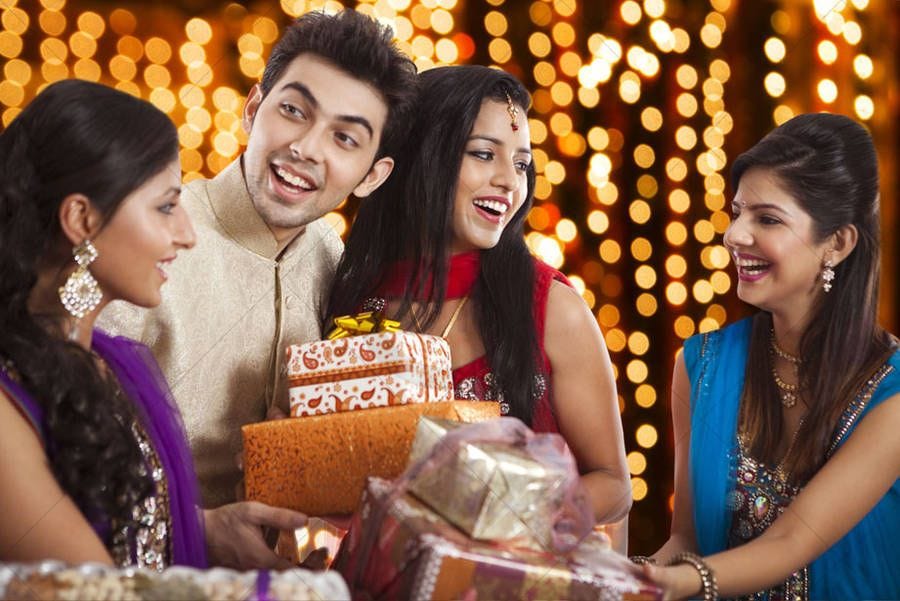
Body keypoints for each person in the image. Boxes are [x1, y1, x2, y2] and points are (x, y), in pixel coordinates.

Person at [98, 9, 418, 507]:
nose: (305, 148)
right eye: (293, 111)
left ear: (372, 176)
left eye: (344, 138)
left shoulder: (333, 260)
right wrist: (200, 530)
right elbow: (64, 451)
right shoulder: (147, 233)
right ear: (252, 109)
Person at [0, 80, 309, 570]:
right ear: (80, 219)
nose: (187, 234)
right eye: (166, 206)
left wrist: (202, 528)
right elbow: (98, 590)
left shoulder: (106, 367)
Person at [326, 65, 631, 523]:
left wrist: (492, 522)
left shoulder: (550, 307)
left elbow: (612, 484)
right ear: (424, 155)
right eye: (484, 154)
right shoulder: (355, 301)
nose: (510, 180)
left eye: (522, 163)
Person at [639, 113, 900, 599]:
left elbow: (792, 540)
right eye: (737, 212)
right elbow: (686, 541)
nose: (734, 235)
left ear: (837, 243)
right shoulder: (701, 366)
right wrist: (621, 578)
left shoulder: (892, 395)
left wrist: (677, 582)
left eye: (768, 219)